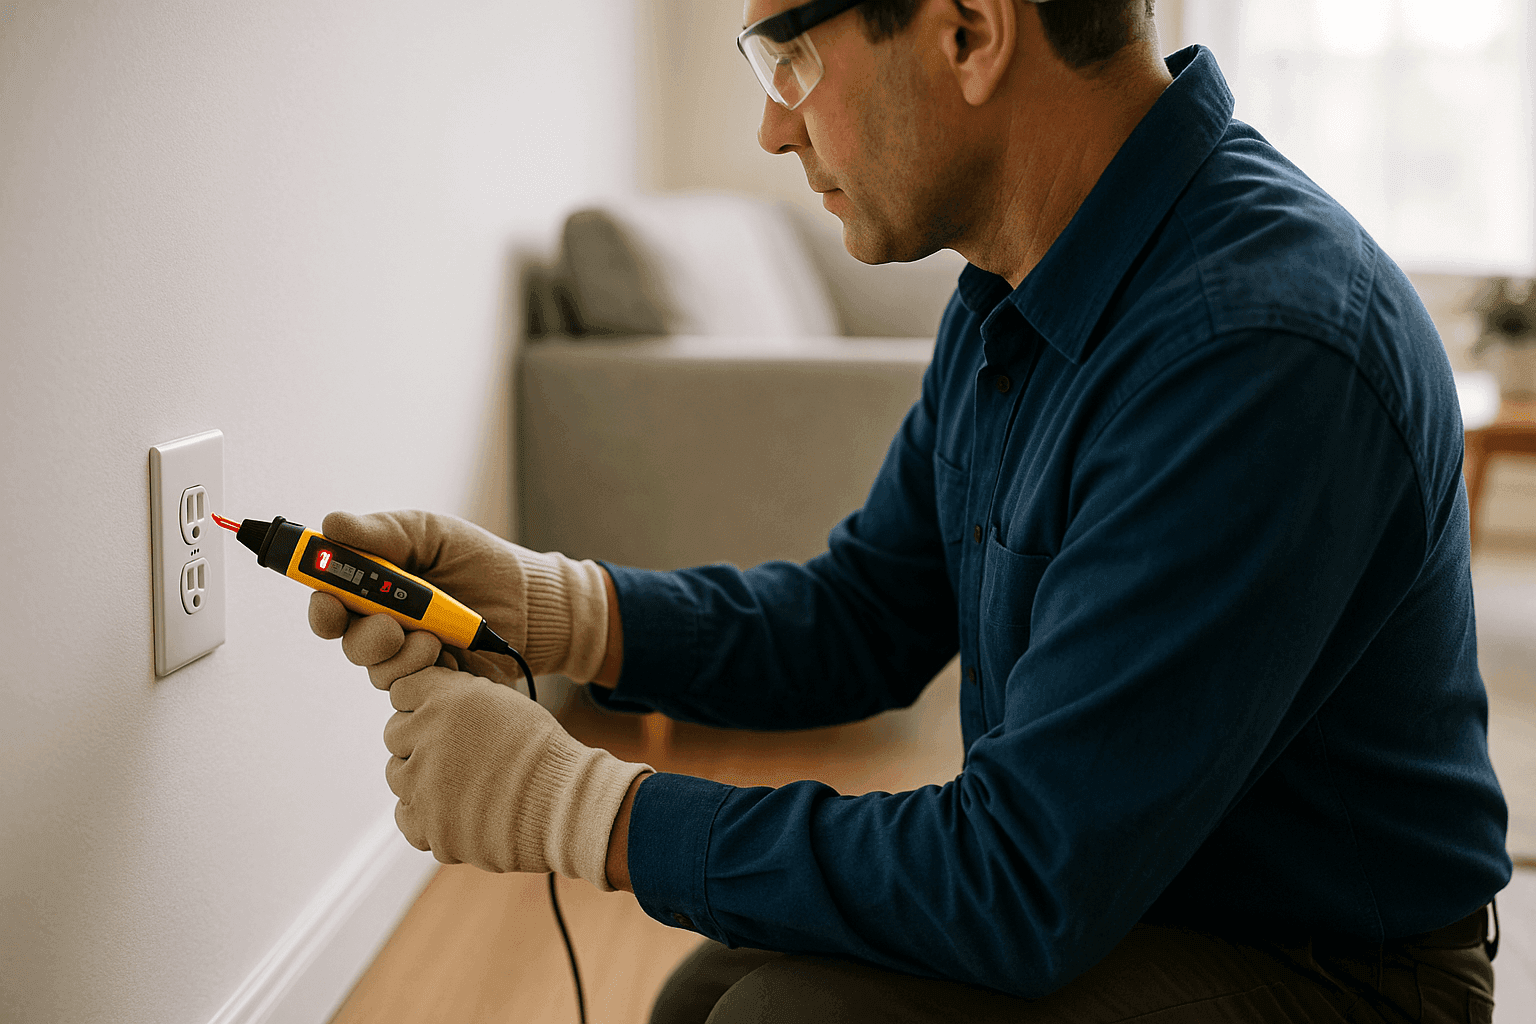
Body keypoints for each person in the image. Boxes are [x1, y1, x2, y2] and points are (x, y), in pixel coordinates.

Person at [308, 0, 1512, 1020]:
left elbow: (1020, 878)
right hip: (1136, 881)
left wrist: (578, 804)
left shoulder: (1257, 350)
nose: (773, 126)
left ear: (971, 31)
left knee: (781, 1018)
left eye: (793, 58)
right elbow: (861, 615)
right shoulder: (1012, 286)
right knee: (702, 997)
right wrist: (552, 607)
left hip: (1334, 970)